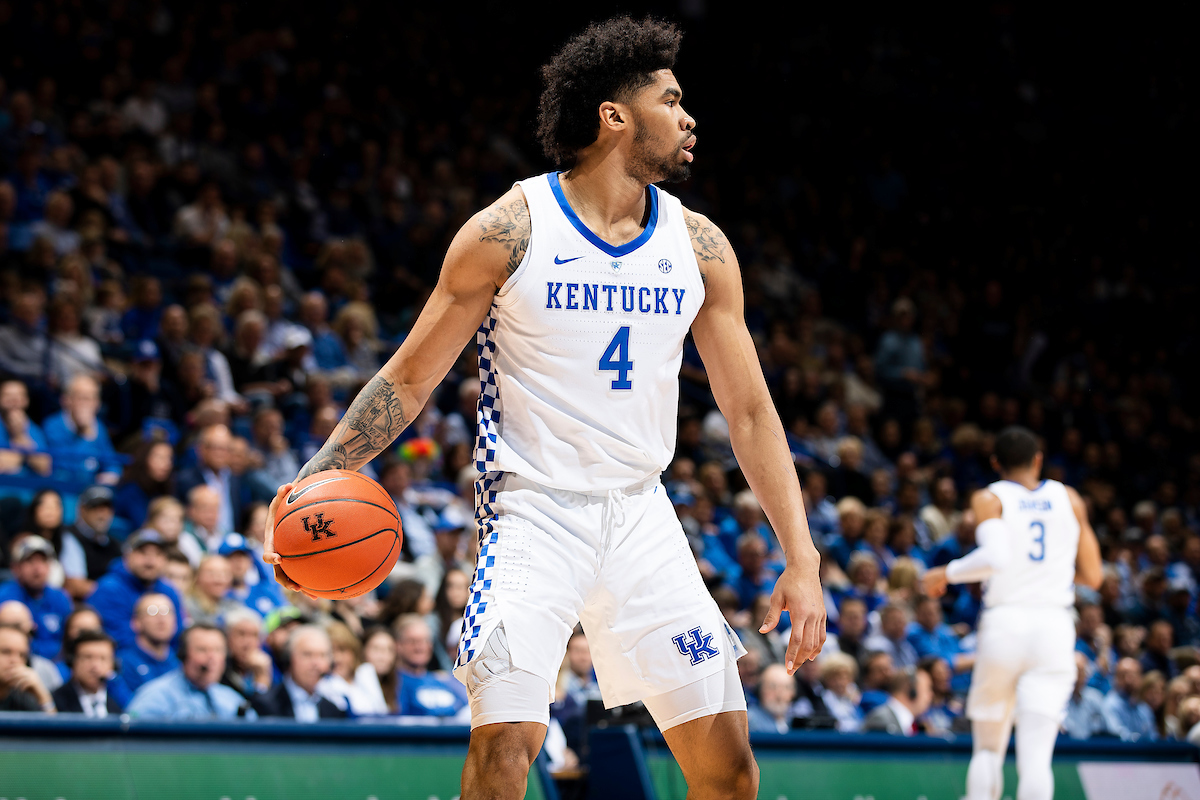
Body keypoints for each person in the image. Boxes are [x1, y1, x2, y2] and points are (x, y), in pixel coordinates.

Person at [262, 17, 824, 799]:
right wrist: (311, 482)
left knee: (730, 774)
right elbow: (410, 379)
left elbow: (752, 414)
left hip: (642, 515)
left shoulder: (701, 248)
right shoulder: (510, 229)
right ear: (614, 115)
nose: (689, 117)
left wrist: (802, 556)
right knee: (506, 750)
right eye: (671, 100)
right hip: (531, 513)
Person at [923, 426, 1103, 800]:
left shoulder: (990, 497)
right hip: (1054, 625)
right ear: (1038, 460)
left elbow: (995, 558)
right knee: (1037, 758)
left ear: (995, 463)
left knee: (988, 748)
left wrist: (946, 572)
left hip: (1006, 623)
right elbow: (1093, 576)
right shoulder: (1069, 498)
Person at [127, 623, 253, 720]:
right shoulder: (156, 696)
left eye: (218, 650)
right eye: (202, 650)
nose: (212, 658)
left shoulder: (231, 698)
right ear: (183, 655)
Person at [88, 529, 184, 650]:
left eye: (158, 554)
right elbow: (115, 638)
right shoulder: (109, 589)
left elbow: (178, 634)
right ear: (127, 555)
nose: (150, 561)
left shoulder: (169, 591)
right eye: (143, 553)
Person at [251, 624, 346, 721]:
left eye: (322, 655)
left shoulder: (334, 711)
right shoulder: (266, 704)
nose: (316, 663)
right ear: (289, 657)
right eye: (307, 654)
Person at [0, 535, 73, 659]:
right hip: (20, 659)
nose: (37, 568)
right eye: (30, 561)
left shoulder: (60, 597)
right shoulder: (5, 596)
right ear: (15, 568)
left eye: (43, 561)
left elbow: (68, 641)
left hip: (58, 663)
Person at [42, 374, 123, 485]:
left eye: (93, 398)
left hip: (90, 489)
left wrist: (111, 474)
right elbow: (66, 470)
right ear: (67, 400)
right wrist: (86, 434)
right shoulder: (53, 425)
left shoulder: (99, 427)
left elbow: (111, 463)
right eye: (82, 398)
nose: (87, 404)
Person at [393, 614, 469, 719]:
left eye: (424, 641)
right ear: (398, 645)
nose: (419, 647)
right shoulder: (393, 683)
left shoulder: (444, 681)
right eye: (412, 641)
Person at [59, 485, 123, 601]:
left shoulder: (116, 544)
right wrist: (115, 593)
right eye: (96, 508)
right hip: (84, 604)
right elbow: (76, 585)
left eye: (107, 508)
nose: (102, 515)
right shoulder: (69, 536)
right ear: (82, 510)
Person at [114, 592, 180, 698]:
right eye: (152, 611)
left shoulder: (181, 662)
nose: (161, 619)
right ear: (136, 622)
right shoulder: (122, 664)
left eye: (167, 611)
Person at [51, 629, 125, 716]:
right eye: (88, 657)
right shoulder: (54, 701)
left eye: (103, 658)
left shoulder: (118, 704)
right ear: (72, 661)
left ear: (113, 665)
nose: (95, 666)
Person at [220, 606, 274, 699]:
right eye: (241, 634)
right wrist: (261, 680)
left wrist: (262, 675)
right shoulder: (220, 669)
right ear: (228, 638)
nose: (248, 643)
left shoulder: (264, 667)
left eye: (254, 635)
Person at [0, 623, 54, 713]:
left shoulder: (23, 697)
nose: (15, 660)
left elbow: (52, 721)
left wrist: (42, 696)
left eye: (22, 655)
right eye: (6, 652)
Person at [862, 668, 932, 736]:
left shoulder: (912, 725)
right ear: (912, 691)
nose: (931, 695)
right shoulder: (881, 720)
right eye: (928, 689)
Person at [1101, 657, 1157, 741]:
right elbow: (1118, 736)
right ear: (1115, 678)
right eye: (1123, 675)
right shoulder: (1109, 705)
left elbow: (1152, 738)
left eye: (1133, 675)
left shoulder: (1145, 709)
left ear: (1140, 678)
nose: (1128, 680)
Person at [747, 663, 797, 733]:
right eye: (772, 687)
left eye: (787, 687)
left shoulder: (795, 721)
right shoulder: (748, 721)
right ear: (760, 690)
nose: (779, 694)